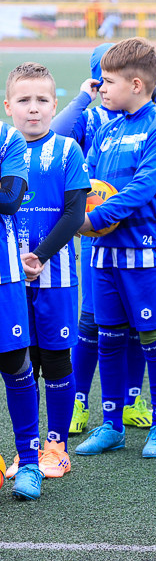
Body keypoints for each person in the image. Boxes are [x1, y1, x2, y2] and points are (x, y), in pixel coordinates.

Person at [73, 37, 156, 459]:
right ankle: (111, 425)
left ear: (137, 84)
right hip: (104, 257)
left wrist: (91, 220)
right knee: (109, 340)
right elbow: (88, 181)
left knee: (153, 338)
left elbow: (141, 188)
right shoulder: (106, 128)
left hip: (144, 255)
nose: (100, 88)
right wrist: (77, 211)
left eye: (108, 82)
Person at [3, 62, 88, 483]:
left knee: (55, 359)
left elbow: (75, 214)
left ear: (55, 105)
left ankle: (58, 446)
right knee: (19, 363)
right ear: (8, 106)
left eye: (41, 100)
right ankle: (28, 450)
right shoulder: (4, 149)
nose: (33, 109)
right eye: (24, 100)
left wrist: (38, 256)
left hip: (56, 276)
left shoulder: (68, 150)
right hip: (9, 279)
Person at [0, 85, 40, 498]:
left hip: (3, 274)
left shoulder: (7, 138)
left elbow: (9, 199)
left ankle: (29, 462)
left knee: (15, 364)